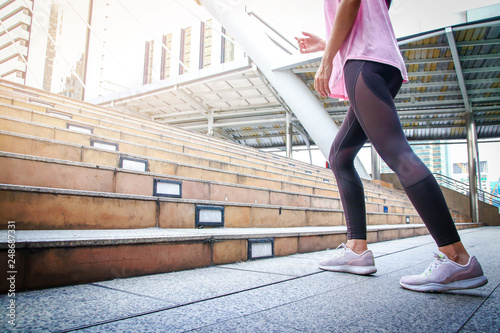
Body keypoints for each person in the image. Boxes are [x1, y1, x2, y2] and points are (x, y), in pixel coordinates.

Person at [296, 0, 488, 292]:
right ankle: (356, 249)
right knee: (340, 155)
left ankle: (457, 258)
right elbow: (365, 20)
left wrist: (326, 60)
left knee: (397, 154)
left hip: (363, 63)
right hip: (382, 62)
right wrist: (326, 44)